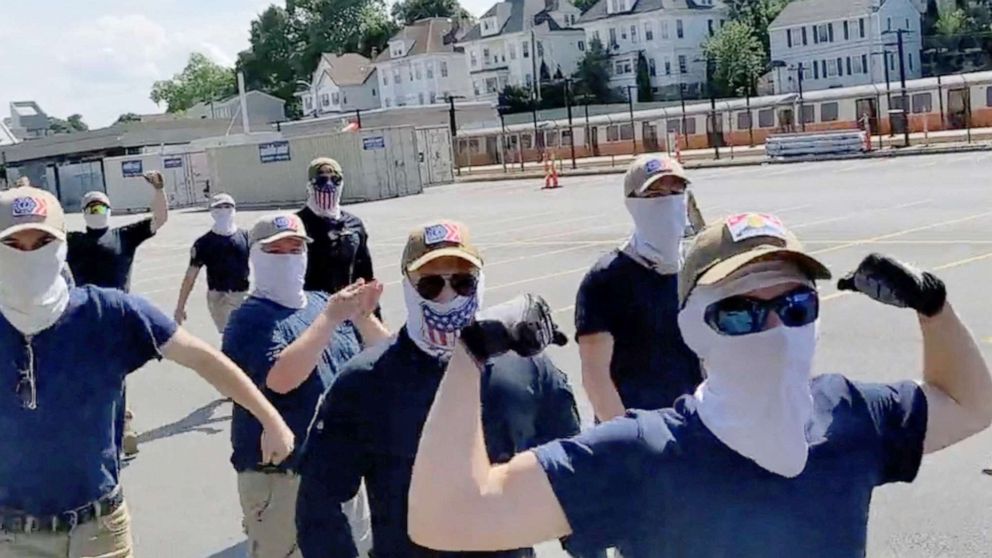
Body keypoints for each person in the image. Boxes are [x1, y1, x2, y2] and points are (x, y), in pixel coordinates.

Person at [407, 212, 992, 557]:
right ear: (694, 328)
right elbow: (447, 516)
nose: (773, 328)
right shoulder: (643, 453)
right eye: (738, 312)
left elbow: (971, 404)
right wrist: (471, 355)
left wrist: (934, 308)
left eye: (794, 305)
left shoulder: (851, 414)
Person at [0, 187, 294, 558]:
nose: (29, 256)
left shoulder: (109, 313)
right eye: (13, 244)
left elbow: (203, 358)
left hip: (99, 531)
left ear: (61, 246)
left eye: (43, 241)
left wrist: (271, 419)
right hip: (14, 538)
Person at [296, 220, 583, 558]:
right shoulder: (366, 382)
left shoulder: (528, 367)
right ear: (407, 286)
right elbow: (319, 501)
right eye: (431, 285)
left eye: (463, 282)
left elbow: (572, 479)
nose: (448, 297)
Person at [223, 213, 389, 558]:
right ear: (255, 257)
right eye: (276, 252)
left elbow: (384, 354)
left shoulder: (319, 302)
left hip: (340, 472)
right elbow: (282, 379)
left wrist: (360, 314)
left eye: (295, 249)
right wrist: (330, 318)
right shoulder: (248, 319)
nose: (288, 259)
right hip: (283, 480)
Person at [576, 154, 703, 422]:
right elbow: (595, 375)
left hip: (693, 430)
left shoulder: (696, 270)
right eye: (655, 194)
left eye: (675, 192)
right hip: (638, 435)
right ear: (632, 204)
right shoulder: (606, 279)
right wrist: (628, 440)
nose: (668, 202)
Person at [66, 171, 169, 457]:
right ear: (84, 213)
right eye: (91, 208)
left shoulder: (124, 235)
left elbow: (159, 220)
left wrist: (159, 191)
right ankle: (115, 423)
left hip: (119, 319)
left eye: (101, 207)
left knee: (115, 373)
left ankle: (122, 427)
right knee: (91, 375)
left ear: (109, 210)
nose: (97, 212)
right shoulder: (71, 241)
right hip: (82, 318)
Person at [296, 158, 375, 296]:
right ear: (310, 185)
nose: (329, 186)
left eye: (335, 180)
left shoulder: (354, 224)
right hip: (310, 310)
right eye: (321, 180)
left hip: (347, 307)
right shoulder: (296, 225)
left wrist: (373, 312)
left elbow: (364, 272)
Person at [174, 194, 250, 333]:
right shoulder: (203, 243)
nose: (223, 210)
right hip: (218, 298)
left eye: (227, 207)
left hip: (242, 295)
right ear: (212, 212)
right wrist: (180, 306)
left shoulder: (246, 237)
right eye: (218, 207)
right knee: (229, 335)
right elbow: (190, 277)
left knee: (244, 334)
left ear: (234, 210)